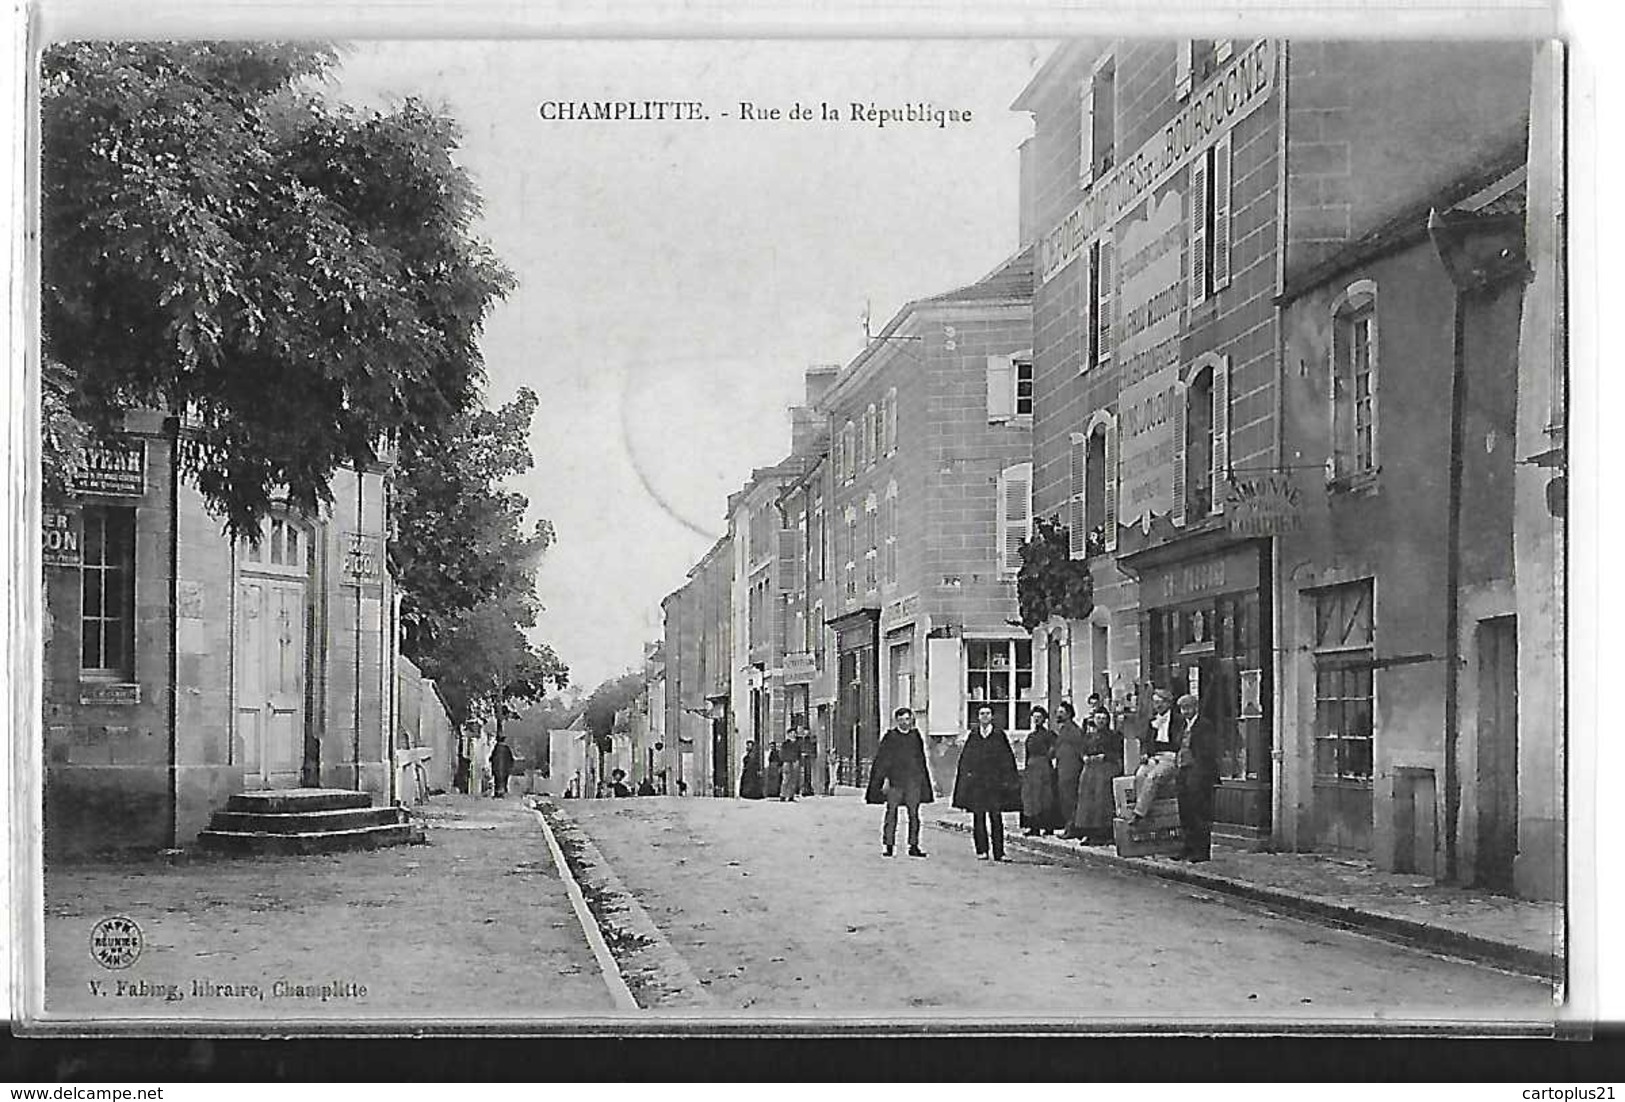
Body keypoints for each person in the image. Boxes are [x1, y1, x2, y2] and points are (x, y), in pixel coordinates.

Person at [951, 705, 1021, 861]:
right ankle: (982, 850)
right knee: (978, 817)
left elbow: (1007, 759)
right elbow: (966, 759)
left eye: (987, 713)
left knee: (996, 817)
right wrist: (967, 778)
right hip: (978, 784)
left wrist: (1007, 780)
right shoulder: (974, 735)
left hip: (994, 784)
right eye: (982, 713)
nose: (984, 716)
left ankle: (999, 852)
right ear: (978, 717)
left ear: (992, 717)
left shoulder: (998, 735)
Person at [865, 706, 933, 857]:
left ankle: (914, 845)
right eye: (901, 719)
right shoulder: (890, 737)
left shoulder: (915, 737)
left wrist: (923, 782)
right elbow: (882, 761)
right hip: (895, 781)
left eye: (907, 719)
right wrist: (883, 780)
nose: (904, 722)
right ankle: (889, 845)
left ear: (911, 720)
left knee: (914, 814)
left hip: (912, 781)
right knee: (891, 813)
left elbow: (921, 760)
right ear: (897, 721)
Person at [1175, 694, 1219, 861]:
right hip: (1184, 771)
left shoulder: (1204, 726)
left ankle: (1201, 851)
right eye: (1182, 709)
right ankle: (1188, 847)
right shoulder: (1183, 726)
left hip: (1198, 773)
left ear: (1195, 708)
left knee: (1199, 812)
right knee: (1185, 811)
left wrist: (1199, 770)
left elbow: (1207, 752)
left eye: (1188, 708)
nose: (1185, 712)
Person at [1130, 689, 1184, 821]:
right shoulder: (1153, 721)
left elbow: (1181, 741)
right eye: (1155, 703)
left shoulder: (1178, 720)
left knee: (1153, 777)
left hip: (1170, 757)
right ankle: (1145, 810)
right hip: (1154, 756)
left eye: (1161, 702)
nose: (1158, 706)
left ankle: (1138, 814)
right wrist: (1145, 754)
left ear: (1168, 703)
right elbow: (1147, 741)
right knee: (1140, 774)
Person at [1074, 709, 1121, 844]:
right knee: (1087, 801)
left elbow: (1117, 753)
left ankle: (1103, 834)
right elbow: (1081, 750)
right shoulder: (1088, 736)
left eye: (1103, 718)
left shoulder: (1113, 736)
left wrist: (1105, 756)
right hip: (1089, 771)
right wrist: (1084, 757)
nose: (1100, 721)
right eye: (1098, 718)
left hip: (1105, 770)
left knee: (1101, 801)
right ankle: (1088, 832)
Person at [1019, 705, 1061, 836]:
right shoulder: (1030, 736)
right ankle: (1033, 827)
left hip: (1044, 768)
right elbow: (1027, 753)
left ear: (1044, 719)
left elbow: (1054, 750)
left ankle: (1048, 826)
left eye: (1039, 717)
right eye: (1034, 717)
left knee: (1045, 798)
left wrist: (1048, 759)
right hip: (1031, 769)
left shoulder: (1049, 735)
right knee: (1031, 798)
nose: (1037, 720)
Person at [1052, 702, 1087, 839]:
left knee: (1070, 799)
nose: (1058, 715)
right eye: (1058, 712)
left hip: (1071, 770)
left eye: (1061, 712)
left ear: (1069, 714)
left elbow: (1080, 750)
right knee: (1064, 799)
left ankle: (1072, 828)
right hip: (1062, 769)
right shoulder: (1062, 730)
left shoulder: (1074, 731)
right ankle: (1069, 826)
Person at [488, 734, 516, 798]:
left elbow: (491, 758)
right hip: (505, 769)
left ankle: (497, 793)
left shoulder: (496, 748)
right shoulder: (506, 749)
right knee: (504, 780)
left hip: (497, 769)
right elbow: (511, 759)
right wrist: (510, 766)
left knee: (497, 781)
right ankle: (503, 792)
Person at [779, 731, 802, 802]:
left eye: (794, 733)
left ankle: (791, 795)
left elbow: (799, 753)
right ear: (788, 734)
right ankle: (783, 795)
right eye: (791, 733)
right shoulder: (785, 744)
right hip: (787, 762)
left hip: (795, 761)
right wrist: (783, 761)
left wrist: (798, 760)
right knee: (786, 779)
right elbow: (782, 753)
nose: (793, 735)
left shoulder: (798, 743)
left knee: (793, 779)